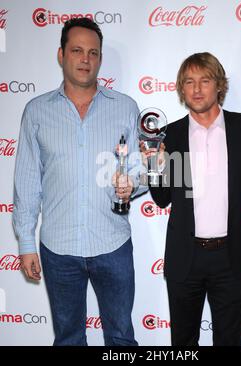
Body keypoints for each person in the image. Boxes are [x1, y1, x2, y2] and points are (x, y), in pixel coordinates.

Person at [13, 17, 146, 346]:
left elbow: (142, 168)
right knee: (69, 338)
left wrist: (132, 182)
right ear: (61, 55)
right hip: (59, 249)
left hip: (112, 243)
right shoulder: (36, 111)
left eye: (93, 52)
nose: (85, 59)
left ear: (100, 59)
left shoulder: (126, 107)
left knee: (121, 338)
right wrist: (26, 243)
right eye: (77, 50)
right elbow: (27, 181)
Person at [145, 52, 241, 346]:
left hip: (232, 256)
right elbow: (163, 198)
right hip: (185, 257)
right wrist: (154, 166)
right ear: (181, 89)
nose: (196, 89)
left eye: (204, 80)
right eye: (189, 82)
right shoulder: (172, 135)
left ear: (219, 85)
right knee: (183, 343)